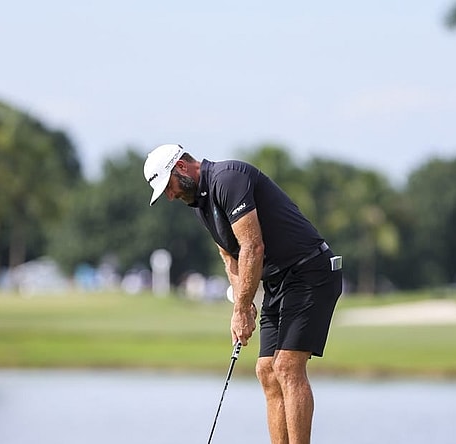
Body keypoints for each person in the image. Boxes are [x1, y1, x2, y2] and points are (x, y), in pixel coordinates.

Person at [143, 143, 343, 444]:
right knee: (267, 371)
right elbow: (230, 258)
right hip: (278, 282)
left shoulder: (228, 178)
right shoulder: (202, 206)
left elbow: (252, 246)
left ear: (181, 167)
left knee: (287, 367)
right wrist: (242, 305)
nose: (170, 196)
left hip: (310, 271)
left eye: (168, 186)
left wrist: (241, 310)